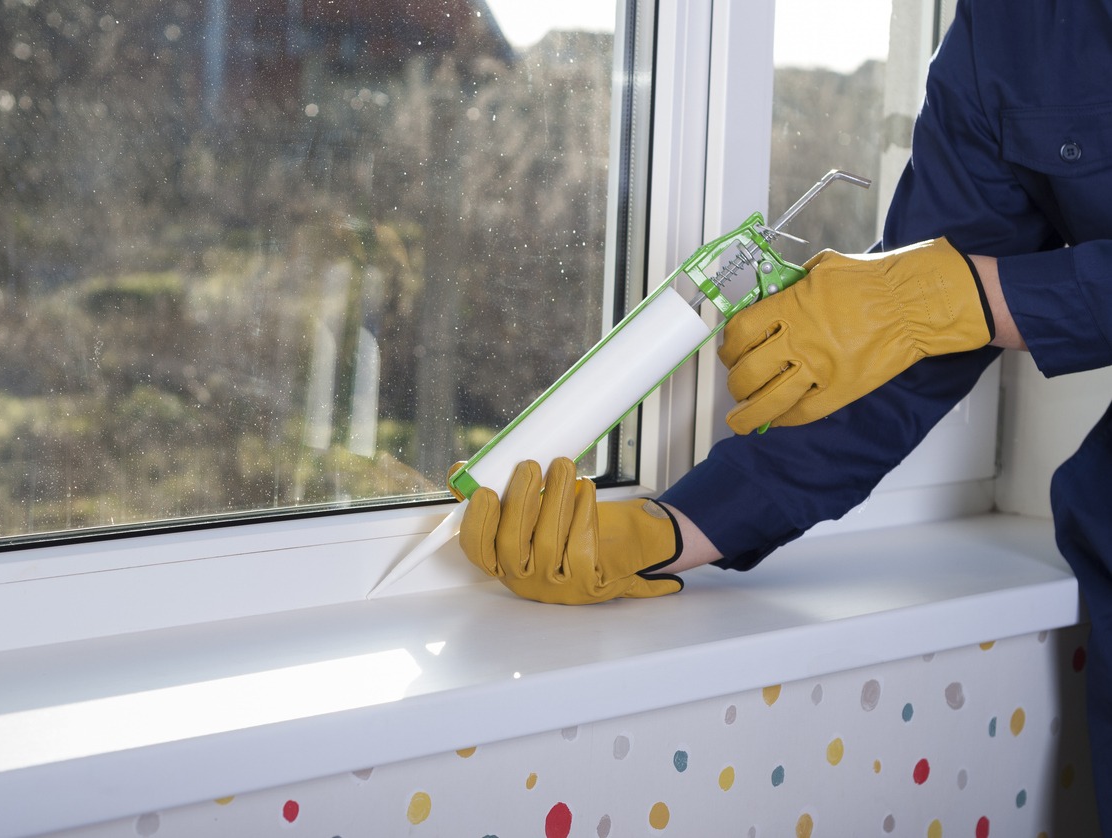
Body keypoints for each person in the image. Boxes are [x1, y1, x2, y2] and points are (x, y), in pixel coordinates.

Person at [456, 0, 1112, 829]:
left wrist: (971, 295)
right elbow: (905, 354)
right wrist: (673, 530)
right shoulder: (1011, 33)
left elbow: (946, 305)